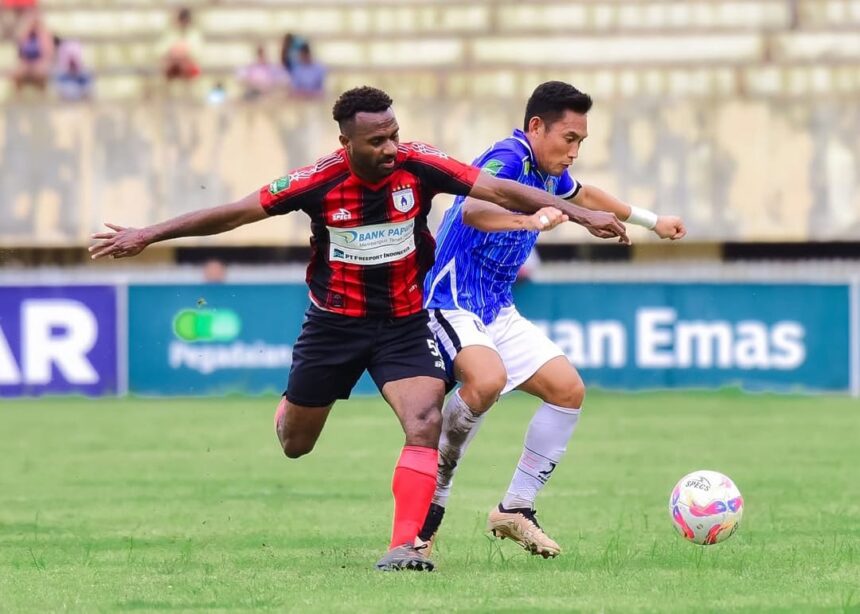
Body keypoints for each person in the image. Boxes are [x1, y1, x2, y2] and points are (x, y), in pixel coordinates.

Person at [88, 86, 628, 572]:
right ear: (345, 141)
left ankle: (403, 547)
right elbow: (234, 214)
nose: (391, 148)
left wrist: (578, 214)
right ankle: (291, 406)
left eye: (394, 135)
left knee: (423, 420)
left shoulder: (420, 164)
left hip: (402, 321)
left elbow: (502, 192)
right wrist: (148, 234)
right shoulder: (317, 180)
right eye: (377, 141)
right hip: (334, 325)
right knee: (295, 443)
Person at [418, 81, 686, 558]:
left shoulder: (548, 173)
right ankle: (432, 496)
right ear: (536, 127)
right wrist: (532, 221)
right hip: (451, 300)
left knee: (568, 390)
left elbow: (586, 196)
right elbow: (478, 210)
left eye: (582, 141)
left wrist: (652, 220)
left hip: (496, 308)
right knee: (487, 381)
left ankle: (515, 508)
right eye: (570, 138)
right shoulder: (508, 157)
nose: (575, 151)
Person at [11, 9, 54, 93]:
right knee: (17, 73)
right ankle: (18, 96)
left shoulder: (45, 36)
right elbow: (20, 54)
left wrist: (37, 65)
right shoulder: (24, 35)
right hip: (26, 63)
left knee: (41, 72)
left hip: (40, 63)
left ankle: (42, 95)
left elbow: (47, 55)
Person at [159, 7, 202, 81]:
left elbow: (198, 53)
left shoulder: (194, 34)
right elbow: (161, 50)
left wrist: (184, 56)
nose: (183, 22)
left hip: (188, 65)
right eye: (182, 19)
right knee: (166, 66)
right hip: (172, 64)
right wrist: (174, 55)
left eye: (185, 20)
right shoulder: (171, 33)